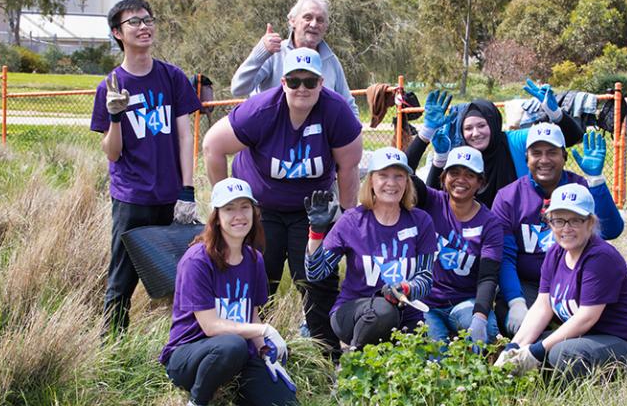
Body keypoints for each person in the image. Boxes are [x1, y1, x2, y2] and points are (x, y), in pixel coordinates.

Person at [202, 47, 362, 359]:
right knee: (262, 272)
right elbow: (212, 146)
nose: (302, 88)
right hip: (263, 207)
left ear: (321, 83)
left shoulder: (335, 110)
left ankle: (326, 354)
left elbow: (349, 167)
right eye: (294, 80)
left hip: (312, 209)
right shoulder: (261, 110)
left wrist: (347, 219)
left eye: (310, 81)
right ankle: (257, 349)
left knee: (317, 276)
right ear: (283, 82)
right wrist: (226, 203)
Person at [90, 0, 202, 335]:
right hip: (132, 198)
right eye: (134, 22)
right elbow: (111, 153)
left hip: (171, 197)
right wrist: (115, 116)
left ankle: (181, 345)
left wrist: (187, 191)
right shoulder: (110, 86)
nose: (144, 27)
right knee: (121, 281)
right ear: (117, 33)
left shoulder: (172, 77)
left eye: (147, 20)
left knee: (182, 277)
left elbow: (185, 136)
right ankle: (113, 351)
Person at [494, 183, 627, 379]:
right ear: (549, 222)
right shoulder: (555, 253)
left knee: (562, 353)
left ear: (590, 223)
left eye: (575, 220)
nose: (566, 229)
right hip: (593, 339)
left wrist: (536, 352)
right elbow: (543, 306)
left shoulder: (600, 258)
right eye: (558, 220)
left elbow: (586, 317)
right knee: (538, 344)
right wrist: (515, 347)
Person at [160, 178, 297, 406]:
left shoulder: (254, 259)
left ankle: (239, 391)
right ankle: (197, 401)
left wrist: (264, 349)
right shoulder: (197, 260)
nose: (239, 216)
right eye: (229, 208)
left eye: (245, 207)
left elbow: (250, 314)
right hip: (189, 356)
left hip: (239, 353)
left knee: (283, 401)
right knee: (231, 345)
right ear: (216, 216)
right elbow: (211, 326)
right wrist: (264, 328)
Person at [492, 123, 625, 338]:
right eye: (536, 153)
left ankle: (553, 348)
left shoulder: (581, 187)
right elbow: (505, 257)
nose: (544, 160)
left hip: (576, 279)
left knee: (594, 324)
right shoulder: (508, 197)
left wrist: (596, 181)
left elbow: (611, 230)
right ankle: (546, 350)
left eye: (552, 152)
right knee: (513, 319)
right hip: (530, 284)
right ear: (526, 157)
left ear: (564, 156)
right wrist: (515, 301)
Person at [304, 147, 437, 350]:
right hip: (353, 312)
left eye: (399, 176)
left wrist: (407, 288)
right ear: (371, 181)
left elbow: (426, 277)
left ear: (407, 182)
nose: (391, 183)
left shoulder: (421, 221)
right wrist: (316, 232)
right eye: (383, 175)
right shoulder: (352, 221)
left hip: (407, 315)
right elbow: (315, 273)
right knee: (384, 310)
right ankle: (354, 360)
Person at [412, 84, 583, 208]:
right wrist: (440, 157)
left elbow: (571, 138)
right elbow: (432, 198)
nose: (476, 133)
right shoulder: (460, 155)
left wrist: (556, 114)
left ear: (493, 124)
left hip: (517, 224)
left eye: (481, 125)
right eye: (468, 128)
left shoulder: (514, 141)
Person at [405, 137, 503, 345]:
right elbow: (403, 171)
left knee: (487, 332)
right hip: (425, 303)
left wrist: (480, 317)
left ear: (480, 183)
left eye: (470, 175)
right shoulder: (430, 201)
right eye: (454, 173)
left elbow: (488, 276)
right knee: (434, 353)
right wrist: (424, 136)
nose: (461, 180)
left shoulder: (490, 223)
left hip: (464, 301)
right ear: (444, 177)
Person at [231, 0, 358, 117]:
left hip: (319, 137)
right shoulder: (274, 53)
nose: (314, 24)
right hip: (273, 136)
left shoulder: (330, 60)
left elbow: (349, 105)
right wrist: (261, 52)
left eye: (320, 20)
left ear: (325, 26)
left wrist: (353, 136)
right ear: (292, 21)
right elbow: (238, 89)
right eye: (308, 17)